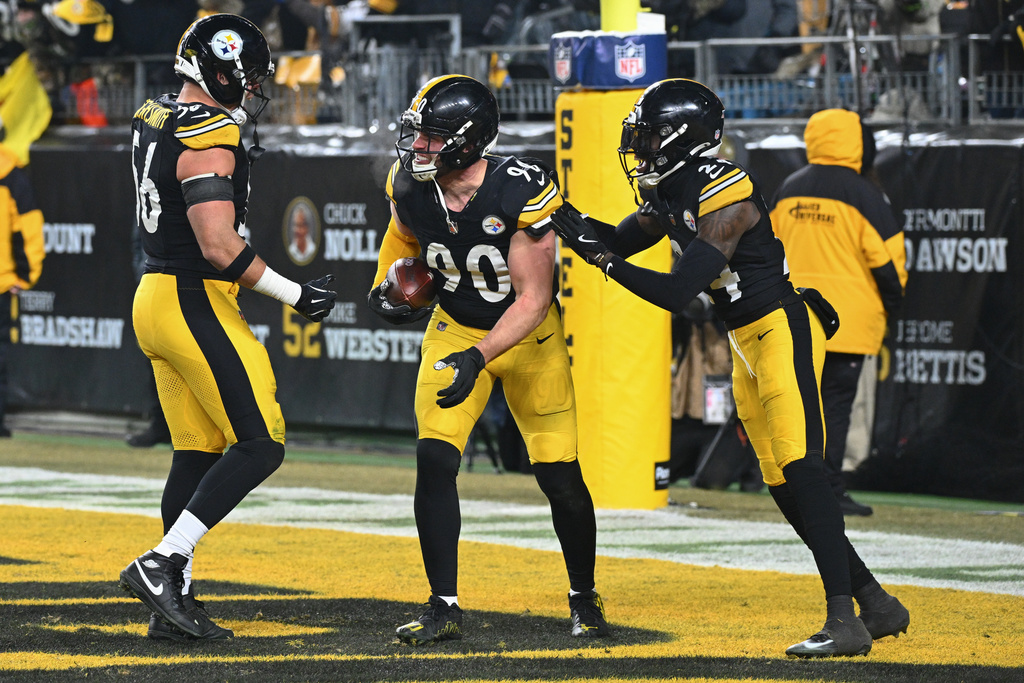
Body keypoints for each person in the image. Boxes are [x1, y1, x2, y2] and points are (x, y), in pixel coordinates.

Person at [548, 78, 909, 658]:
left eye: (648, 136)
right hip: (744, 339)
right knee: (782, 483)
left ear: (681, 137)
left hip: (782, 329)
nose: (638, 147)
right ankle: (876, 601)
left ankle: (844, 621)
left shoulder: (726, 189)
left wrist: (605, 262)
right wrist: (554, 211)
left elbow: (676, 291)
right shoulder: (671, 188)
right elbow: (612, 239)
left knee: (805, 471)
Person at [367, 74, 608, 645]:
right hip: (455, 327)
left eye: (432, 136)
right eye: (417, 134)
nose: (418, 146)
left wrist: (479, 356)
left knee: (560, 476)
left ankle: (583, 596)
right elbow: (401, 237)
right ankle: (443, 605)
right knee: (434, 460)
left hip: (528, 339)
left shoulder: (518, 190)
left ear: (468, 141)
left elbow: (533, 300)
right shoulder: (409, 184)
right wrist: (384, 284)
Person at [118, 13, 337, 641]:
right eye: (249, 77)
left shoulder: (156, 112)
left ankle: (172, 605)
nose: (254, 89)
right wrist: (295, 294)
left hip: (155, 295)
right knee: (261, 442)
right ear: (222, 72)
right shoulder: (210, 133)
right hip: (193, 298)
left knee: (196, 452)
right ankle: (164, 563)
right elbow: (217, 245)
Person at [769, 108, 908, 517]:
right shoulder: (865, 194)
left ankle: (791, 485)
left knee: (796, 405)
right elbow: (888, 263)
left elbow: (767, 248)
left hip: (794, 317)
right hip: (848, 323)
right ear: (859, 143)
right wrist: (894, 306)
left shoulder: (789, 187)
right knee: (835, 407)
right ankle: (829, 489)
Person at [0, 117, 45, 438]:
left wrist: (25, 275)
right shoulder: (10, 173)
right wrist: (26, 275)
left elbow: (28, 226)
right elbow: (29, 228)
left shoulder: (11, 176)